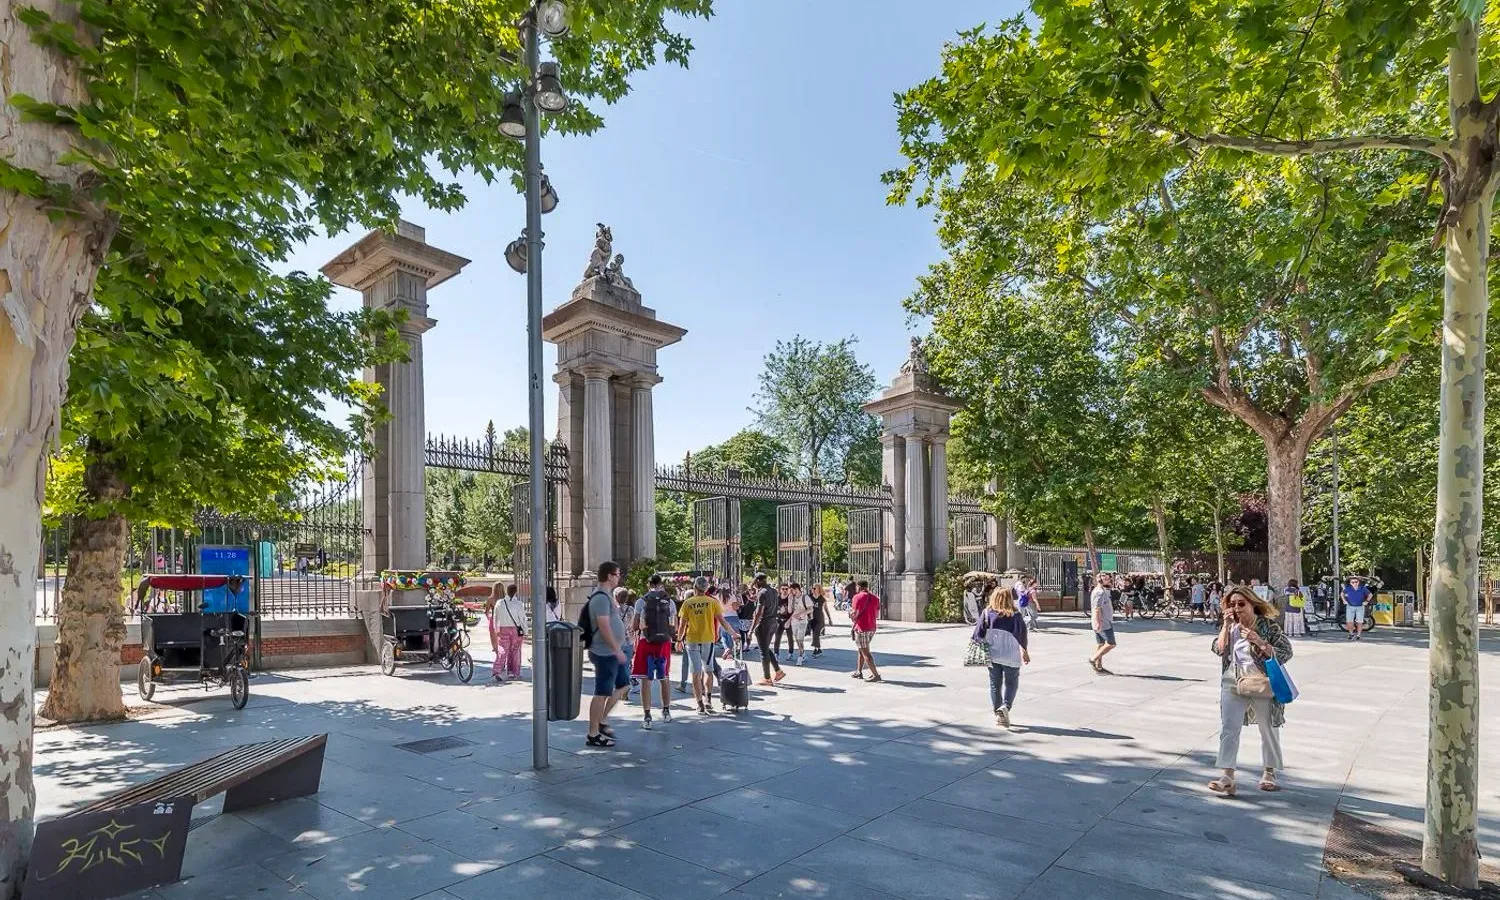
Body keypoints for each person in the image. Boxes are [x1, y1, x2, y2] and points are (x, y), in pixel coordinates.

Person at [1209, 585, 1293, 795]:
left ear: (1252, 604)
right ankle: (1227, 775)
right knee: (1229, 727)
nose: (1236, 608)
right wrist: (1226, 627)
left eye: (1241, 604)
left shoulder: (1267, 626)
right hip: (1233, 678)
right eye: (1232, 604)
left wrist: (1259, 641)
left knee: (1267, 727)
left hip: (1261, 680)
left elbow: (1286, 652)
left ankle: (1269, 772)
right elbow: (1218, 649)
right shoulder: (1231, 625)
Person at [585, 562, 630, 748]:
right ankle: (593, 733)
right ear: (609, 576)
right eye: (617, 574)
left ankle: (602, 721)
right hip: (605, 652)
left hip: (613, 651)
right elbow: (603, 626)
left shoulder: (607, 596)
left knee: (624, 685)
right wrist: (616, 649)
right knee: (601, 693)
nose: (619, 577)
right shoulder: (601, 598)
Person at [972, 584, 1031, 727]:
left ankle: (998, 713)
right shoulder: (1015, 615)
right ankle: (1006, 706)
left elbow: (977, 634)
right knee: (1011, 683)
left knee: (994, 684)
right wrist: (1025, 651)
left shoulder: (987, 613)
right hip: (1011, 655)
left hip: (993, 655)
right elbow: (1022, 635)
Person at [678, 576, 728, 714]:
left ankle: (699, 703)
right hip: (708, 639)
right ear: (706, 588)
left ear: (695, 587)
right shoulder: (712, 602)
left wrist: (678, 640)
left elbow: (682, 624)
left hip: (692, 639)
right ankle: (708, 700)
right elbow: (722, 621)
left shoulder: (688, 603)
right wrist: (733, 633)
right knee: (708, 670)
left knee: (695, 672)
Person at [632, 574, 675, 728]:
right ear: (661, 585)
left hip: (646, 642)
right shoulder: (669, 602)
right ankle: (666, 711)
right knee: (665, 678)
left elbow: (635, 625)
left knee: (646, 680)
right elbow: (672, 625)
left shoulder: (641, 602)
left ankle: (647, 716)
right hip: (663, 643)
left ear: (648, 585)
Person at [749, 573, 786, 686]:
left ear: (758, 581)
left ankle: (767, 678)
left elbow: (759, 613)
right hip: (773, 622)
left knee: (763, 651)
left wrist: (751, 630)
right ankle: (778, 671)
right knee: (765, 648)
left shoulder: (762, 593)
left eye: (754, 582)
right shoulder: (773, 591)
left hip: (764, 623)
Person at [488, 583, 527, 683]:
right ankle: (513, 672)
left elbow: (495, 617)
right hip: (516, 630)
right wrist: (525, 631)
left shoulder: (500, 603)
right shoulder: (518, 604)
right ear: (515, 592)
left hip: (503, 629)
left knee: (502, 650)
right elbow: (522, 619)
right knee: (515, 651)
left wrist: (496, 629)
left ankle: (497, 670)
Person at [849, 579, 882, 683]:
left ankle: (875, 675)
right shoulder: (875, 598)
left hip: (861, 627)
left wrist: (850, 615)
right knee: (861, 649)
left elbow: (855, 614)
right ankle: (859, 671)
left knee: (865, 652)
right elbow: (877, 614)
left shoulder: (857, 597)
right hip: (872, 627)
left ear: (859, 587)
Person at [1089, 573, 1116, 674]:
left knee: (1101, 644)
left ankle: (1098, 667)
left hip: (1101, 621)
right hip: (1103, 622)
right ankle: (1093, 658)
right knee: (1111, 643)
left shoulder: (1100, 591)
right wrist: (1098, 622)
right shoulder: (1099, 592)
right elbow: (1097, 608)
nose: (1109, 581)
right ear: (1102, 580)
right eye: (1107, 579)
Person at [615, 587, 638, 696]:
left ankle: (621, 687)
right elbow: (635, 626)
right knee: (627, 665)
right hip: (629, 641)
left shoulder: (612, 610)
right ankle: (625, 687)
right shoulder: (631, 610)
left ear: (615, 597)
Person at [783, 582, 812, 664]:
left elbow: (811, 609)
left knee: (800, 640)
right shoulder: (792, 598)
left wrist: (803, 614)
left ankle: (800, 657)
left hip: (802, 621)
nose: (792, 592)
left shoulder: (805, 597)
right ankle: (803, 654)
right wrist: (789, 600)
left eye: (792, 590)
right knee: (797, 639)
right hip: (794, 621)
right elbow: (789, 611)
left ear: (797, 589)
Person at [1343, 576, 1370, 640]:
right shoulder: (1348, 588)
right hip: (1350, 606)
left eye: (1356, 582)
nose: (1354, 583)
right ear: (1350, 583)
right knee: (1349, 621)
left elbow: (1370, 594)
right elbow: (1342, 594)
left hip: (1360, 606)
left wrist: (1367, 601)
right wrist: (1344, 600)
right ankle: (1351, 634)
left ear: (1359, 582)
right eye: (1353, 582)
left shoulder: (1362, 588)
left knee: (1359, 622)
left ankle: (1358, 635)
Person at [809, 582, 828, 657]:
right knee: (814, 633)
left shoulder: (822, 599)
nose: (812, 590)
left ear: (818, 589)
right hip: (812, 619)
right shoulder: (809, 597)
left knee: (816, 632)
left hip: (820, 618)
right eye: (812, 588)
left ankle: (815, 650)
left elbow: (826, 609)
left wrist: (829, 619)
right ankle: (818, 649)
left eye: (814, 588)